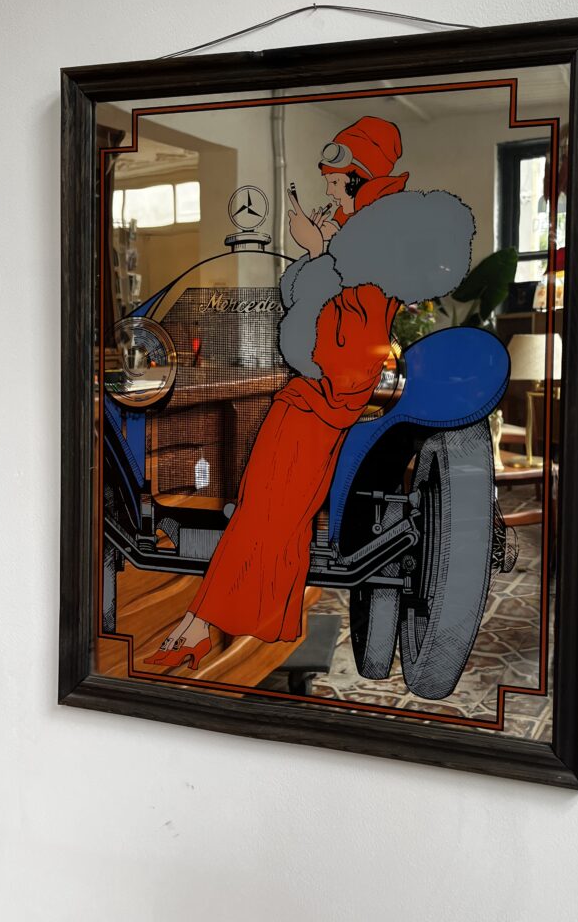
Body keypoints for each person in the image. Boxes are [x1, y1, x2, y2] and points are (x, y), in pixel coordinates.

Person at [145, 115, 474, 670]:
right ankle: (235, 623)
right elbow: (334, 314)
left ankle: (197, 627)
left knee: (267, 508)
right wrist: (321, 250)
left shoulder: (373, 247)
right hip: (315, 393)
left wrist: (319, 252)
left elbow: (350, 346)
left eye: (335, 182)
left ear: (358, 178)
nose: (329, 193)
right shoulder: (365, 242)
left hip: (322, 400)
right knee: (270, 508)